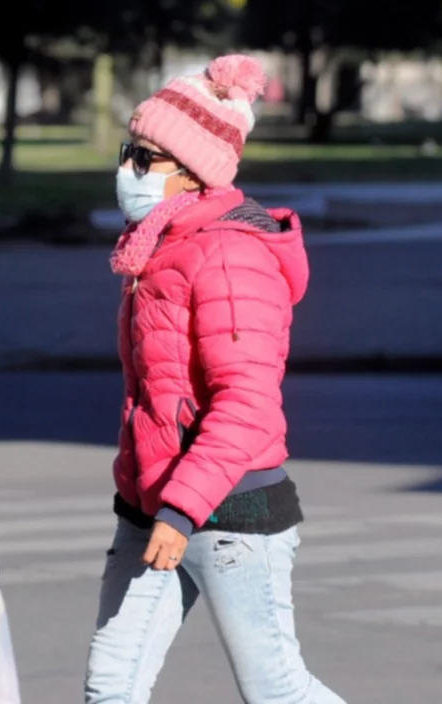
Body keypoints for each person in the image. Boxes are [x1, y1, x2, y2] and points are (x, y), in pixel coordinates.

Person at [85, 54, 346, 704]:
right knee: (110, 690)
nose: (127, 170)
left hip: (231, 516)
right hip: (153, 507)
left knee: (277, 692)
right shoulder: (159, 247)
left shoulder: (231, 254)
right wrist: (156, 503)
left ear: (193, 170)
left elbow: (246, 404)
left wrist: (180, 511)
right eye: (126, 152)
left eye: (144, 158)